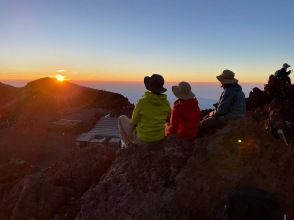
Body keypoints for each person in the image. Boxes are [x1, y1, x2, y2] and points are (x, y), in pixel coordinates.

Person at [118, 74, 171, 148]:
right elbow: (168, 119)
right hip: (159, 139)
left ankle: (127, 146)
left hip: (143, 140)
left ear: (150, 87)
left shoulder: (142, 102)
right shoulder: (166, 103)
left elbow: (133, 122)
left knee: (121, 118)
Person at [200, 70, 246, 134]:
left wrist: (212, 113)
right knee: (207, 117)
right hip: (239, 117)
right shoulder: (239, 91)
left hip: (230, 119)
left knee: (202, 124)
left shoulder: (229, 91)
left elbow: (221, 111)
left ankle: (214, 137)